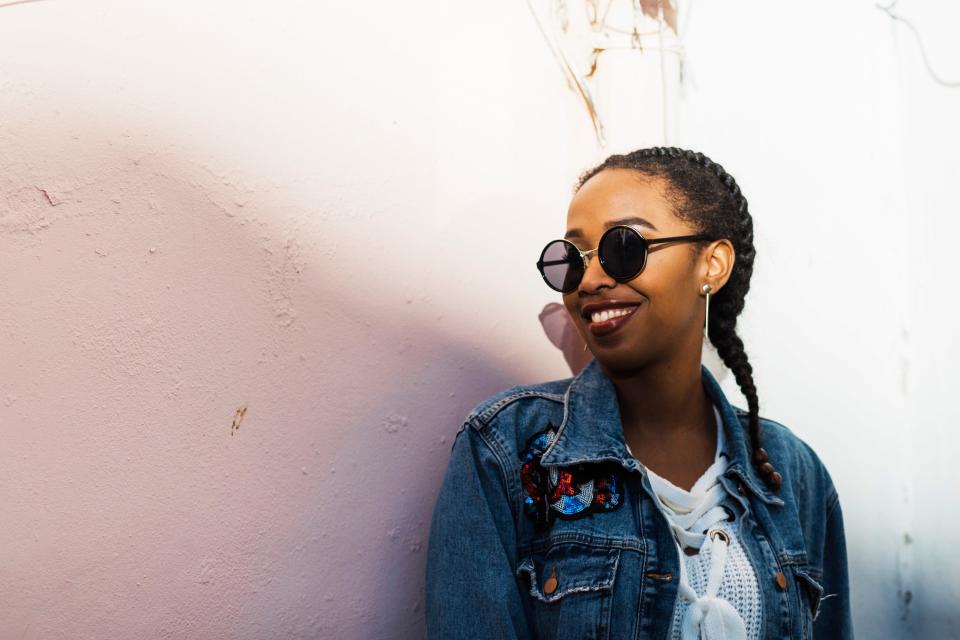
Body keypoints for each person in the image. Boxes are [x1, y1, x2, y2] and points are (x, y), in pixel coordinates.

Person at [425, 147, 853, 639]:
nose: (589, 280)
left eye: (624, 248)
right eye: (570, 260)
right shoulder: (507, 452)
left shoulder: (793, 472)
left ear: (711, 264)